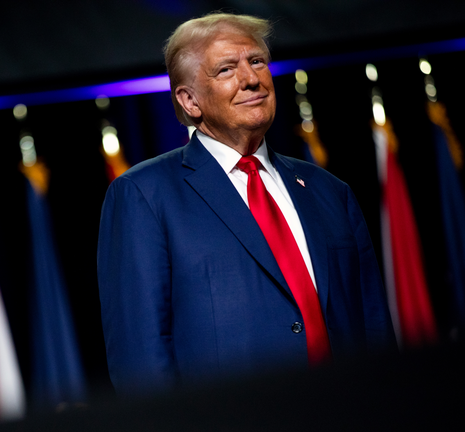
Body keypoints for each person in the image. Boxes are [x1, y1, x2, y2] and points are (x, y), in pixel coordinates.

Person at [97, 12, 397, 395]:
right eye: (226, 69)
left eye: (256, 61)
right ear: (190, 101)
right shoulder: (143, 195)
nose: (251, 79)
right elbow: (140, 359)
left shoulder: (329, 190)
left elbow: (373, 326)